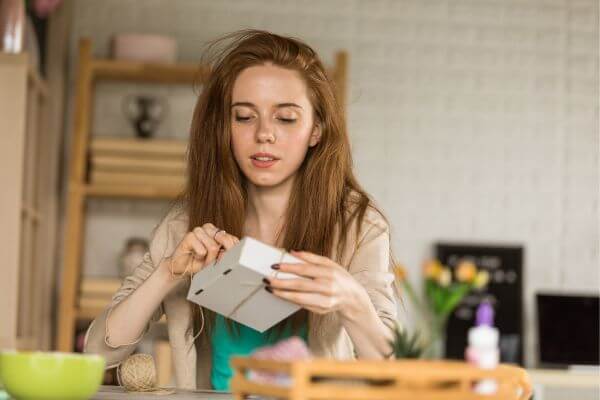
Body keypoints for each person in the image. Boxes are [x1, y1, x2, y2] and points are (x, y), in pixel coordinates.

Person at [84, 29, 397, 391]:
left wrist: (351, 300)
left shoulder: (358, 226)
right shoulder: (186, 224)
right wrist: (168, 273)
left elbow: (391, 374)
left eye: (286, 118)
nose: (264, 133)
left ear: (317, 129)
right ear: (225, 128)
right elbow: (97, 354)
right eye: (245, 117)